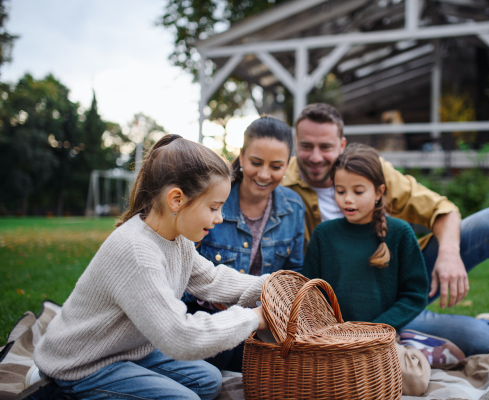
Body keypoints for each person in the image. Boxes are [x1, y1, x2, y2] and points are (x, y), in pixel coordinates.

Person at [283, 103, 489, 356]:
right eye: (306, 146)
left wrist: (448, 254)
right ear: (296, 143)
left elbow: (442, 209)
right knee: (480, 339)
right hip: (351, 300)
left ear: (342, 144)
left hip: (402, 277)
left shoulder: (371, 170)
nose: (314, 157)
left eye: (325, 147)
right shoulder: (280, 178)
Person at [33, 134, 269, 400]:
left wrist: (269, 285)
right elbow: (180, 337)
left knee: (208, 381)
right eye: (214, 207)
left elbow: (212, 280)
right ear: (176, 200)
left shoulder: (176, 240)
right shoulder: (136, 251)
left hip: (127, 350)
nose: (220, 217)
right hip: (83, 364)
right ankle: (55, 392)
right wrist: (253, 317)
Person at [300, 143, 432, 396]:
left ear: (379, 191)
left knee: (413, 382)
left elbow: (415, 295)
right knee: (324, 381)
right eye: (340, 191)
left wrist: (376, 329)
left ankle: (418, 347)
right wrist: (331, 333)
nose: (347, 199)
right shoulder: (324, 235)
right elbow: (310, 294)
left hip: (380, 338)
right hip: (333, 339)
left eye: (358, 191)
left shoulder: (400, 233)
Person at [185, 116, 305, 372]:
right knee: (229, 358)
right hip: (208, 319)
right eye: (256, 162)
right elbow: (182, 272)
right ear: (241, 155)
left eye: (276, 166)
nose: (263, 174)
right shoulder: (212, 200)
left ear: (288, 165)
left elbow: (294, 275)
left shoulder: (293, 207)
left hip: (265, 320)